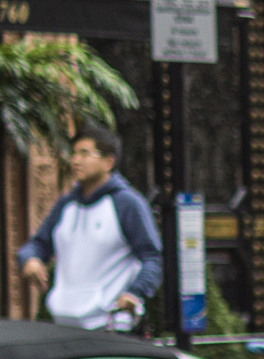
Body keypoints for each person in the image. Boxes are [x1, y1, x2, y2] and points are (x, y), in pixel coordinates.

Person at [17, 124, 162, 330]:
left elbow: (151, 258)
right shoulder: (66, 205)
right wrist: (30, 260)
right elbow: (38, 244)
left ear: (108, 162)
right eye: (74, 154)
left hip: (111, 327)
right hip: (64, 325)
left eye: (85, 154)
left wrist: (135, 292)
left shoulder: (127, 204)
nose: (75, 160)